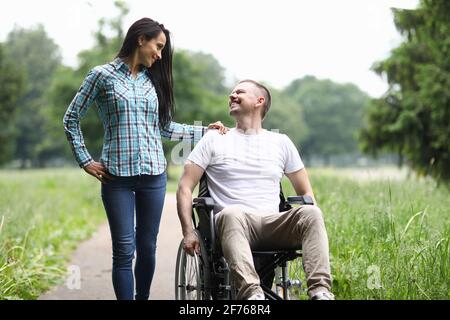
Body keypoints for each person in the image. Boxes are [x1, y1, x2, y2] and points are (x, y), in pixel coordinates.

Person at [63, 17, 227, 300]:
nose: (160, 54)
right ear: (141, 39)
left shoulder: (153, 82)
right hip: (117, 178)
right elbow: (71, 118)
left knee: (148, 247)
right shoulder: (101, 76)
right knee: (125, 249)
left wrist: (205, 131)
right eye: (158, 46)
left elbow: (164, 127)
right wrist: (85, 160)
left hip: (153, 175)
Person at [176, 79, 334, 300]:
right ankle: (253, 295)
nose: (232, 96)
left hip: (273, 223)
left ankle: (321, 292)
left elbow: (306, 192)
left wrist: (313, 232)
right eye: (231, 93)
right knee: (232, 212)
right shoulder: (213, 139)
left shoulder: (281, 142)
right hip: (233, 224)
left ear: (259, 101)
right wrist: (188, 231)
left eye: (239, 92)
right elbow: (185, 186)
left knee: (312, 213)